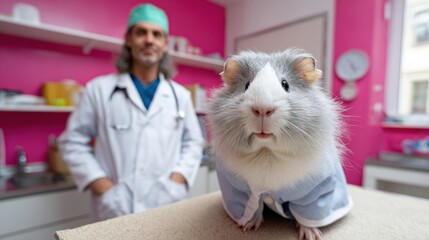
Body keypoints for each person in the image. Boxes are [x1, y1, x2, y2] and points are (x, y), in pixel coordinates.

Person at [59, 3, 204, 221]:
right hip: (115, 207)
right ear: (128, 39)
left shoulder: (179, 96)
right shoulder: (99, 90)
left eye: (157, 34)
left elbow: (193, 143)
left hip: (166, 204)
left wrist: (178, 179)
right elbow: (72, 142)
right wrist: (103, 186)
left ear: (165, 44)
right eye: (141, 32)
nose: (149, 40)